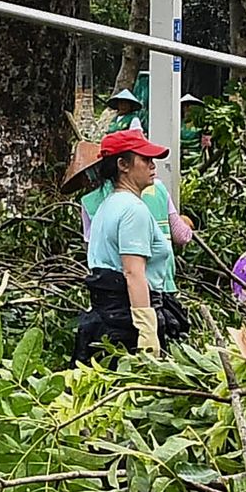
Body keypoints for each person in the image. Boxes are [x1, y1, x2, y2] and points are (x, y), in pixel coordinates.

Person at [69, 129, 187, 355]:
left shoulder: (108, 205)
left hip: (107, 316)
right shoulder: (133, 210)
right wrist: (146, 329)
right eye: (145, 160)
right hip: (126, 322)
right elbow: (133, 273)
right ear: (123, 165)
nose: (153, 166)